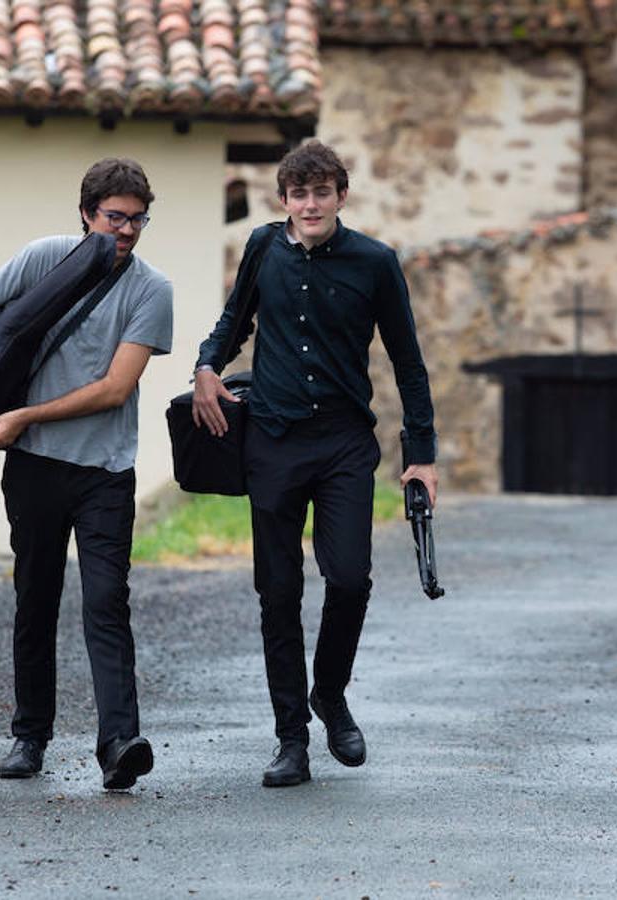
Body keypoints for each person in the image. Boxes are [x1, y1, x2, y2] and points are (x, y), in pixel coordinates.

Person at [191, 141, 437, 787]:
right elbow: (233, 322)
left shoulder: (376, 263)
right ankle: (291, 740)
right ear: (285, 199)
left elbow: (408, 365)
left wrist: (422, 458)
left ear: (340, 196)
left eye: (321, 192)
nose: (309, 204)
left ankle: (329, 693)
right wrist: (205, 368)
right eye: (298, 194)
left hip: (343, 443)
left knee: (350, 579)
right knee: (278, 593)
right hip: (271, 439)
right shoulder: (262, 249)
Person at [0, 158, 172, 791]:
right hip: (35, 467)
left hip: (104, 471)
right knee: (35, 597)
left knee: (106, 603)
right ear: (86, 215)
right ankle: (29, 737)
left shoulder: (152, 290)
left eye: (137, 219)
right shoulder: (44, 257)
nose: (126, 230)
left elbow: (114, 388)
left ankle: (119, 743)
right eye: (114, 217)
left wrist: (23, 415)